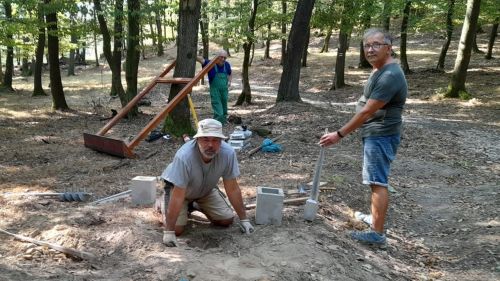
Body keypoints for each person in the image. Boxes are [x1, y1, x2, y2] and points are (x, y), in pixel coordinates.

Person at [319, 28, 407, 247]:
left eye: (376, 44)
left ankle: (377, 234)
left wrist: (338, 134)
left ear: (389, 47)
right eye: (367, 45)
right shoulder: (378, 69)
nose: (370, 49)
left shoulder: (390, 75)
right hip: (375, 132)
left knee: (377, 181)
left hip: (381, 133)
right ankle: (373, 219)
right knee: (374, 180)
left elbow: (367, 111)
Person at [160, 118, 254, 247]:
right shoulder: (184, 156)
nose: (210, 145)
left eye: (215, 140)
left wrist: (244, 219)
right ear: (197, 139)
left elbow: (232, 188)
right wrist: (169, 231)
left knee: (226, 220)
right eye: (206, 139)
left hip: (205, 190)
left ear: (221, 141)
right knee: (177, 230)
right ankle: (162, 203)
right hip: (179, 190)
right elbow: (178, 195)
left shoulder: (228, 154)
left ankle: (195, 205)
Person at [197, 50, 232, 124]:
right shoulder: (210, 64)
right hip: (215, 90)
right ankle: (216, 123)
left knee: (224, 107)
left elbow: (230, 73)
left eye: (225, 58)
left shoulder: (227, 65)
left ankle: (223, 122)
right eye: (221, 57)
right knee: (218, 109)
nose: (223, 59)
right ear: (216, 57)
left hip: (224, 90)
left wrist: (229, 82)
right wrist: (192, 54)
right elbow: (201, 60)